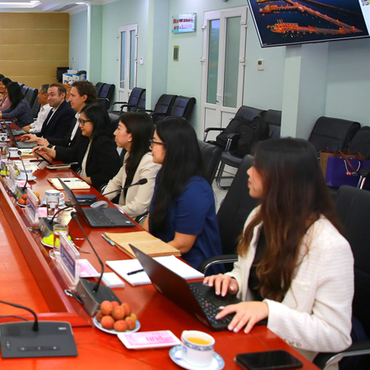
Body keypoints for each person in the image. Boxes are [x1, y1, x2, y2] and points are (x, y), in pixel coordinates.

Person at [204, 138, 353, 361]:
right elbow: (244, 271)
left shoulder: (329, 245)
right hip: (250, 337)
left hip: (289, 357)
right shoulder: (259, 218)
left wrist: (269, 312)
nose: (249, 172)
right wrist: (233, 281)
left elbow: (336, 335)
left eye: (257, 167)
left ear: (281, 178)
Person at [144, 118, 221, 269]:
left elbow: (182, 245)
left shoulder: (196, 190)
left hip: (192, 266)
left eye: (154, 142)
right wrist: (139, 245)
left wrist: (146, 257)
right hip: (163, 254)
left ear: (171, 147)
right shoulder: (163, 175)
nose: (150, 147)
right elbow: (151, 216)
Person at [37, 105, 120, 188]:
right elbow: (71, 154)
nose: (80, 125)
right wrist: (48, 151)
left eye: (83, 122)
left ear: (95, 122)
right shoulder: (86, 138)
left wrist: (81, 180)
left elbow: (107, 175)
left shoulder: (105, 144)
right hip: (81, 183)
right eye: (80, 121)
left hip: (92, 189)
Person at [102, 112, 160, 218]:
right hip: (123, 214)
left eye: (119, 129)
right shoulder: (130, 154)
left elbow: (139, 207)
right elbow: (116, 182)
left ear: (130, 136)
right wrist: (101, 199)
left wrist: (109, 210)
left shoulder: (150, 163)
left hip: (137, 222)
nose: (115, 133)